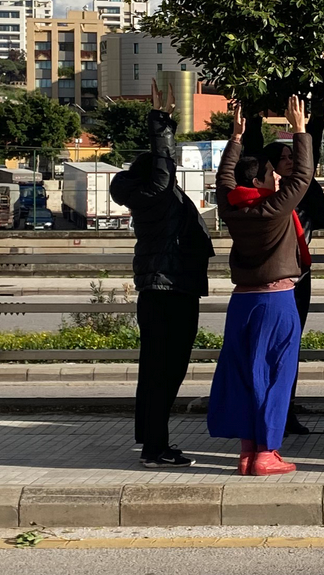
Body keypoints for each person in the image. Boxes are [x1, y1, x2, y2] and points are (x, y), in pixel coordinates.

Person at [109, 80, 215, 469]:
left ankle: (151, 439)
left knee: (157, 371)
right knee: (165, 372)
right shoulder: (155, 192)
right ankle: (155, 447)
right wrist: (161, 121)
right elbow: (163, 164)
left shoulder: (151, 199)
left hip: (166, 288)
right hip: (169, 289)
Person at [208, 96, 312, 476]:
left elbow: (223, 181)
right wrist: (300, 130)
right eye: (272, 173)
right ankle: (267, 453)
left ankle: (247, 451)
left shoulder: (232, 209)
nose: (278, 178)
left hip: (242, 303)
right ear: (258, 181)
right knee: (276, 374)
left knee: (243, 373)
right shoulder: (273, 208)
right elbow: (303, 177)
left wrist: (235, 138)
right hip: (277, 300)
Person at [263, 129, 324, 437]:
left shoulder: (304, 190)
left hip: (300, 276)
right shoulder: (266, 198)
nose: (293, 161)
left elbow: (310, 163)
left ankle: (286, 410)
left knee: (289, 348)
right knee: (269, 349)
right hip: (272, 279)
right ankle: (267, 413)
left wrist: (305, 126)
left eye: (294, 156)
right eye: (286, 158)